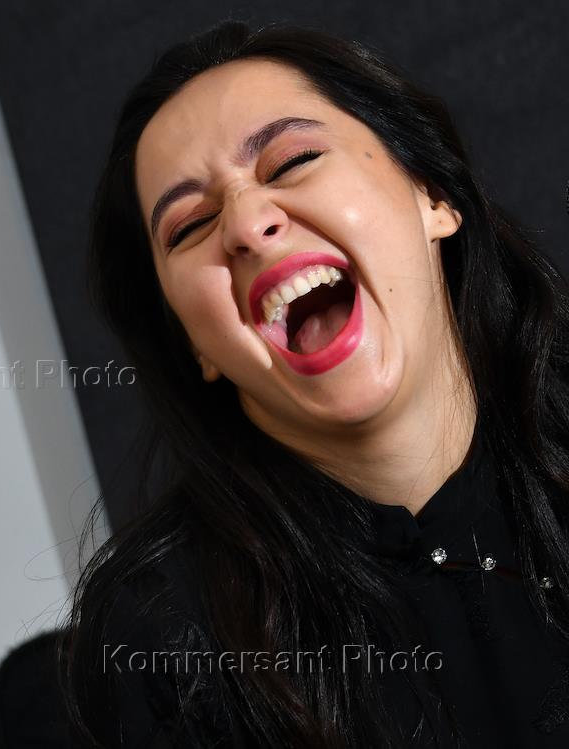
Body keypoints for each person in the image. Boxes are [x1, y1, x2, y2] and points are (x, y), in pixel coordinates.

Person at [59, 19, 569, 749]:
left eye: (292, 160)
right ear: (194, 343)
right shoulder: (165, 650)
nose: (246, 223)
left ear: (431, 195)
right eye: (190, 225)